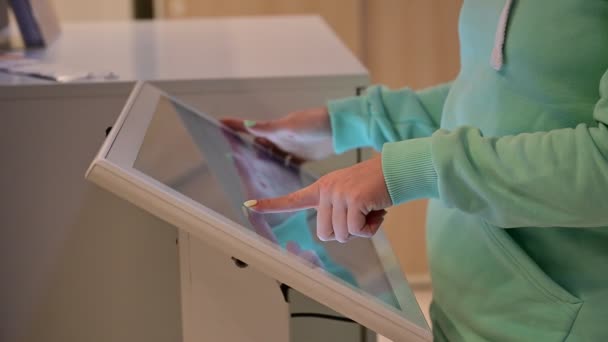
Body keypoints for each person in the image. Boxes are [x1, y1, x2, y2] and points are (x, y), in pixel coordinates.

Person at [223, 1, 608, 340]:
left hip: (559, 325)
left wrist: (415, 169)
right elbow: (494, 93)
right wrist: (347, 124)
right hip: (469, 312)